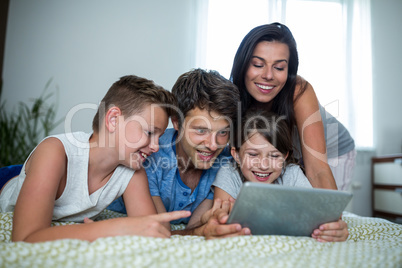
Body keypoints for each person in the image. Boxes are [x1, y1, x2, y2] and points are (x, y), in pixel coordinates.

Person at [0, 75, 191, 242]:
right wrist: (109, 229)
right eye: (149, 132)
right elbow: (25, 238)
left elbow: (150, 229)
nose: (156, 146)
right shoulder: (55, 152)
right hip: (8, 180)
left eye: (159, 136)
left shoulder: (132, 171)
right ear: (113, 119)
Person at [108, 68, 250, 238]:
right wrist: (199, 231)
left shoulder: (227, 162)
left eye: (222, 133)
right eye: (200, 131)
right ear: (176, 122)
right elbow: (159, 229)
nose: (213, 145)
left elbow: (201, 225)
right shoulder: (150, 152)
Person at [230, 22, 356, 191]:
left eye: (279, 67)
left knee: (324, 211)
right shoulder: (230, 94)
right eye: (258, 65)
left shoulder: (298, 91)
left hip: (333, 153)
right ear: (243, 65)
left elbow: (317, 168)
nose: (268, 75)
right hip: (285, 157)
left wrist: (331, 213)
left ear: (289, 70)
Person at [211, 109, 349, 242]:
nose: (264, 165)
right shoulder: (229, 172)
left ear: (285, 156)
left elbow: (315, 217)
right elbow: (222, 219)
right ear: (236, 155)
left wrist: (331, 229)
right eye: (253, 154)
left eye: (274, 155)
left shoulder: (292, 173)